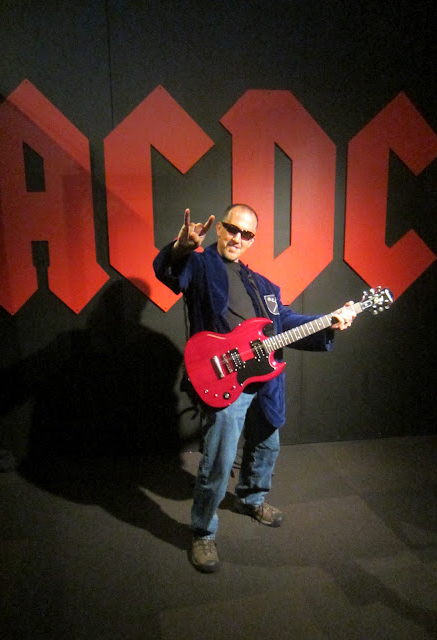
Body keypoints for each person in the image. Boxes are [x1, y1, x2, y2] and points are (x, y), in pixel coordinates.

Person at [153, 204, 356, 573]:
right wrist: (180, 249)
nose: (238, 238)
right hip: (225, 378)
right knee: (218, 460)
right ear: (220, 229)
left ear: (253, 240)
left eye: (246, 234)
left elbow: (285, 321)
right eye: (232, 229)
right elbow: (170, 272)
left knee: (266, 443)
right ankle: (203, 532)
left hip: (266, 378)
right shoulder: (200, 265)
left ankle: (251, 498)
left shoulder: (263, 285)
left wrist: (330, 321)